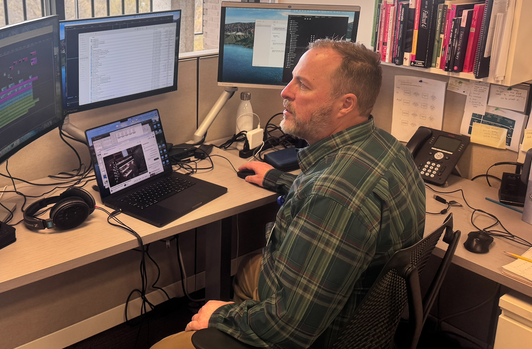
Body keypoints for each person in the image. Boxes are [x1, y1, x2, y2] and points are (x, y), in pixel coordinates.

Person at [152, 39, 426, 349]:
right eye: (292, 78)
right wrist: (281, 180)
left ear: (345, 104)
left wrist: (221, 316)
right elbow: (335, 192)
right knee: (250, 270)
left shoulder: (332, 196)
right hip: (366, 318)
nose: (286, 91)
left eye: (303, 85)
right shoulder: (387, 147)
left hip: (322, 335)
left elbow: (290, 328)